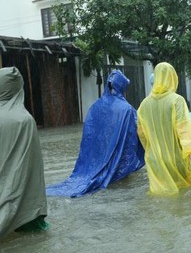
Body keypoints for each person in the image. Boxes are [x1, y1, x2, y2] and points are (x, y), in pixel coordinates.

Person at [46, 70, 145, 198]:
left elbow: (88, 138)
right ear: (122, 87)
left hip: (95, 159)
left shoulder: (95, 106)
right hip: (117, 161)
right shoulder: (127, 109)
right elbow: (134, 136)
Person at [137, 62, 191, 195]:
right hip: (176, 160)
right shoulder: (176, 101)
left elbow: (142, 135)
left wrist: (154, 152)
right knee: (187, 198)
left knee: (162, 199)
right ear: (173, 78)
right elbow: (185, 133)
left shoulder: (143, 105)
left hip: (155, 162)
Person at [0, 67, 48, 240]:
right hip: (23, 204)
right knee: (32, 240)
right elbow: (32, 167)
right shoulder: (24, 120)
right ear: (18, 87)